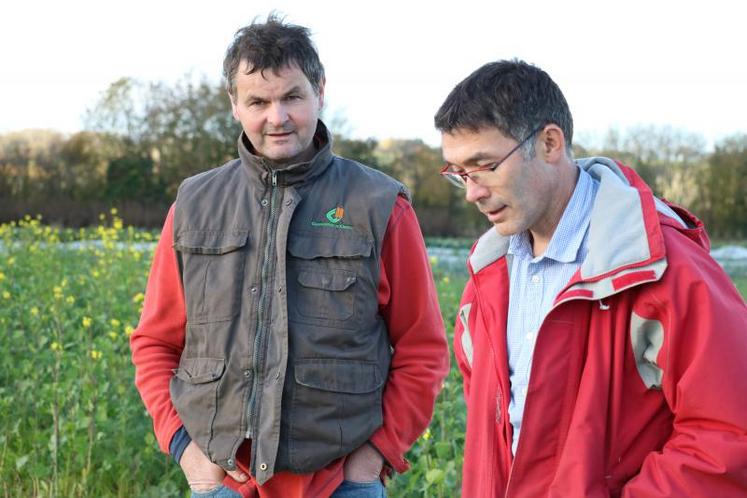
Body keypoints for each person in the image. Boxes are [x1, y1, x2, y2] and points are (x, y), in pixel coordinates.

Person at [131, 15, 449, 498]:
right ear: (235, 105)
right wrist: (185, 450)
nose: (276, 117)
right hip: (222, 485)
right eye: (258, 101)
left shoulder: (380, 205)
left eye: (292, 97)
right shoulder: (193, 206)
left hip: (343, 483)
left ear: (320, 91)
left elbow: (422, 349)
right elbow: (155, 342)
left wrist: (373, 458)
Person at [435, 59, 747, 497]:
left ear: (548, 143)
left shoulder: (664, 270)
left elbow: (729, 435)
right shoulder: (485, 283)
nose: (472, 191)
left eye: (484, 165)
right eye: (459, 173)